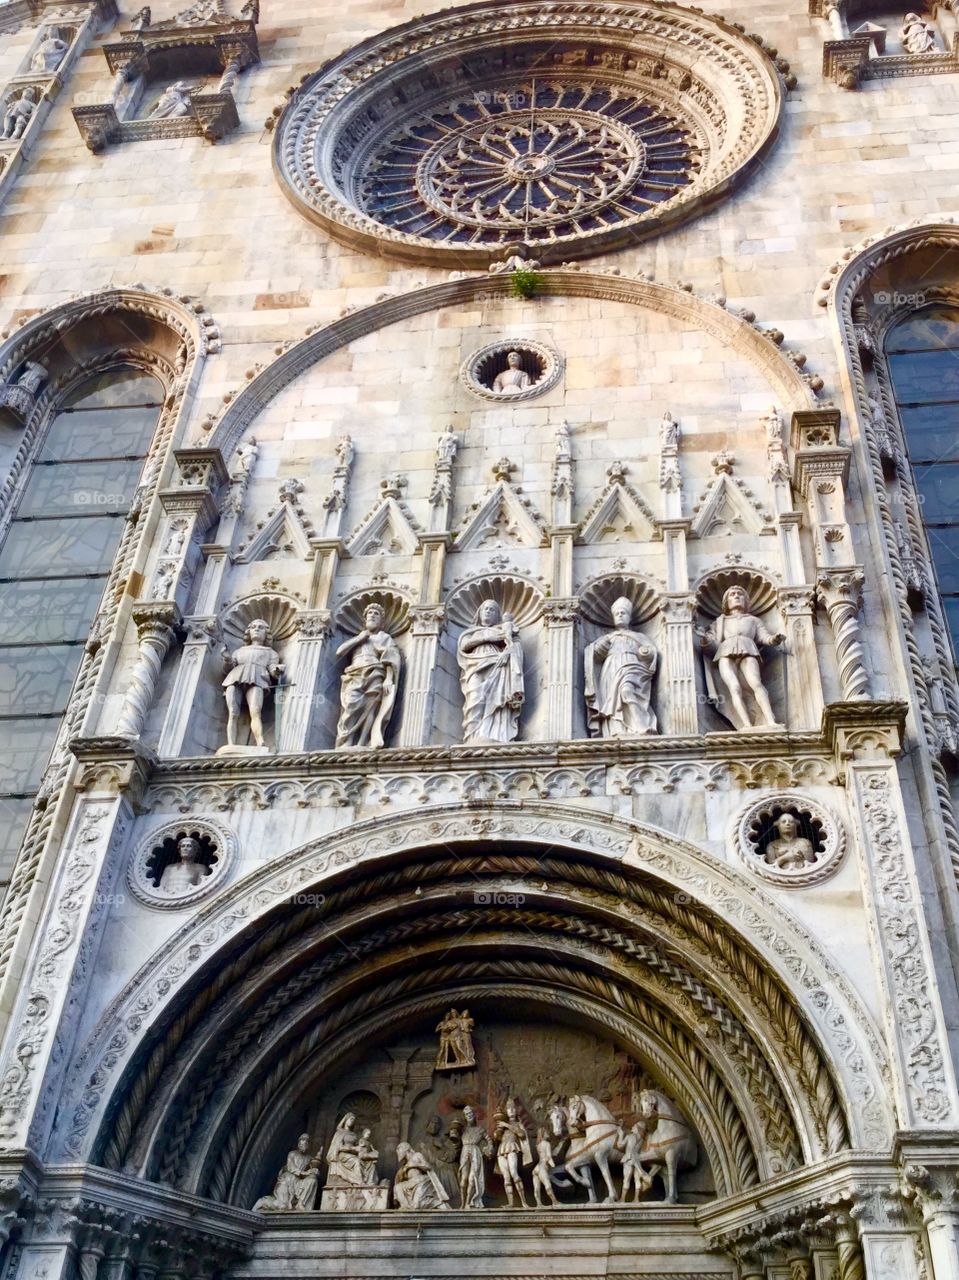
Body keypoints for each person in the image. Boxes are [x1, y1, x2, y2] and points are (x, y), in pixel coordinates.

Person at [699, 586, 784, 730]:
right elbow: (713, 643)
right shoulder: (720, 621)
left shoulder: (753, 620)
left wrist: (774, 639)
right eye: (732, 594)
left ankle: (771, 721)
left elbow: (764, 637)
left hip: (748, 650)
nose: (736, 596)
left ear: (746, 601)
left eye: (740, 594)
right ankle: (746, 725)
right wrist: (705, 639)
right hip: (725, 653)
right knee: (734, 687)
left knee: (756, 683)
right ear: (726, 602)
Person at [584, 597, 658, 738]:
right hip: (611, 669)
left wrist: (647, 653)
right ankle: (615, 729)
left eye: (623, 613)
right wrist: (598, 648)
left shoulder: (638, 636)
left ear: (629, 617)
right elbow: (593, 654)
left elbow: (651, 654)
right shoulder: (609, 637)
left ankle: (640, 726)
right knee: (613, 699)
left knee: (626, 690)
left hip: (633, 667)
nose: (620, 615)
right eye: (617, 613)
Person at [334, 603, 401, 749]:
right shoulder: (359, 638)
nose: (372, 615)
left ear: (382, 622)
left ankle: (362, 742)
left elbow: (391, 658)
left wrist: (389, 678)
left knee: (370, 709)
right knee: (350, 706)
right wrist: (359, 639)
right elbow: (340, 652)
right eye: (370, 613)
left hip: (375, 672)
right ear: (364, 619)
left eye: (376, 614)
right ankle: (346, 742)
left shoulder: (384, 638)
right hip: (355, 674)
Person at [457, 601, 524, 744]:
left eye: (492, 610)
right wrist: (487, 638)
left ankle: (495, 734)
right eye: (485, 609)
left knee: (496, 698)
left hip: (498, 666)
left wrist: (507, 653)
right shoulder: (473, 632)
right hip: (475, 666)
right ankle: (472, 736)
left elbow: (515, 646)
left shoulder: (502, 630)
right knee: (475, 697)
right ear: (480, 613)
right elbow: (464, 645)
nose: (488, 611)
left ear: (497, 615)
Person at [221, 619, 283, 749]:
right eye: (253, 627)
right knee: (233, 712)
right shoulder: (239, 651)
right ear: (248, 632)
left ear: (267, 634)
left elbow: (272, 669)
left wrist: (277, 670)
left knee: (255, 711)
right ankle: (231, 744)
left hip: (258, 678)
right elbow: (229, 668)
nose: (256, 629)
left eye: (261, 627)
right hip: (235, 677)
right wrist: (227, 658)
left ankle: (260, 741)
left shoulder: (271, 653)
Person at [253, 1134, 323, 1211]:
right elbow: (291, 1167)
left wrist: (315, 1170)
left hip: (299, 1182)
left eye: (307, 1141)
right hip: (288, 1180)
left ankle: (301, 1203)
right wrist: (303, 1173)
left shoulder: (309, 1158)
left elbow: (314, 1168)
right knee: (282, 1206)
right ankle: (263, 1203)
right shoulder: (292, 1154)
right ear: (299, 1143)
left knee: (313, 1180)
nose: (305, 1142)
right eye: (303, 1140)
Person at [494, 1099, 532, 1208]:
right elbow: (498, 1138)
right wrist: (497, 1132)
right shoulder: (502, 1124)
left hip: (512, 1147)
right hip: (502, 1149)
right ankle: (511, 1203)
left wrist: (507, 1125)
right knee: (506, 1177)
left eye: (512, 1108)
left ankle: (524, 1202)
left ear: (516, 1111)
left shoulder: (518, 1124)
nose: (510, 1110)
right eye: (508, 1109)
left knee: (514, 1173)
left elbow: (521, 1135)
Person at [394, 1142, 451, 1210]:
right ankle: (406, 1206)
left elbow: (428, 1166)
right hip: (411, 1183)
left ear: (405, 1149)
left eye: (399, 1150)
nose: (398, 1153)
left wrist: (414, 1165)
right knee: (397, 1187)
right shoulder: (405, 1164)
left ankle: (437, 1202)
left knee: (417, 1206)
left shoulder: (417, 1155)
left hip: (420, 1181)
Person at [456, 1105, 493, 1209]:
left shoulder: (480, 1130)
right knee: (463, 1180)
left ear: (474, 1115)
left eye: (471, 1113)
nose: (469, 1116)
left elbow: (489, 1140)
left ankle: (468, 1202)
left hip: (475, 1152)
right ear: (465, 1116)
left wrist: (488, 1148)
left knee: (472, 1179)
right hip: (464, 1152)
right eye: (467, 1114)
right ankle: (462, 1204)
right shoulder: (462, 1130)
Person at [531, 1128, 559, 1208]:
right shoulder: (547, 1143)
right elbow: (549, 1157)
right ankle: (555, 1202)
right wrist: (553, 1165)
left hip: (536, 1168)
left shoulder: (538, 1145)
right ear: (543, 1134)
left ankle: (539, 1204)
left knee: (536, 1188)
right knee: (547, 1184)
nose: (548, 1134)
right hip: (543, 1166)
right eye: (547, 1133)